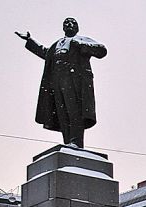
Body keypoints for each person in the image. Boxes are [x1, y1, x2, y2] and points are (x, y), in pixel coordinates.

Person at [16, 18, 107, 148]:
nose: (69, 24)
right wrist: (30, 40)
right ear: (63, 28)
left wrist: (81, 45)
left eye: (72, 22)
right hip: (57, 80)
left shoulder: (82, 40)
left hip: (74, 80)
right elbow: (46, 53)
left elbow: (102, 50)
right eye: (66, 23)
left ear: (77, 28)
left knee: (74, 110)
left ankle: (76, 142)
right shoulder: (57, 44)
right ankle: (68, 141)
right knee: (62, 112)